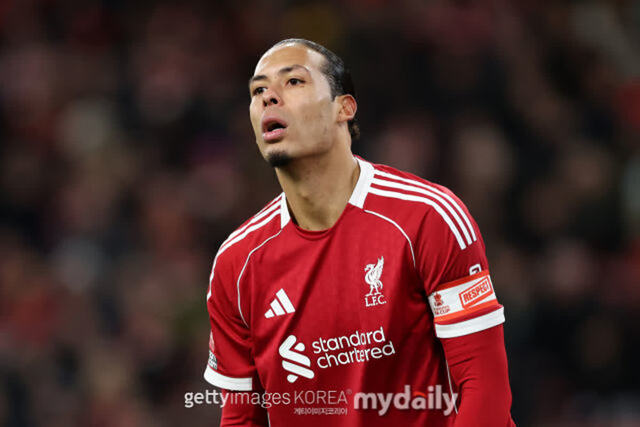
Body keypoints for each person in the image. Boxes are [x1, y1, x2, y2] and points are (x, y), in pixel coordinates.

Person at [204, 38, 516, 426]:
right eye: (257, 91)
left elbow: (484, 387)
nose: (268, 97)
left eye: (294, 81)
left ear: (344, 108)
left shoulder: (427, 217)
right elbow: (240, 417)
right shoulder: (236, 263)